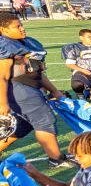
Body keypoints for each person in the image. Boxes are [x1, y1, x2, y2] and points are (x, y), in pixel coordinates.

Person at [0, 12, 73, 166]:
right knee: (45, 120)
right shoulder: (6, 46)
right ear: (3, 30)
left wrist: (54, 90)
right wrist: (2, 103)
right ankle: (56, 159)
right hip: (20, 89)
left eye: (21, 24)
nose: (22, 28)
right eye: (17, 26)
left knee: (23, 124)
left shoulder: (24, 43)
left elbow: (37, 72)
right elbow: (2, 77)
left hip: (30, 87)